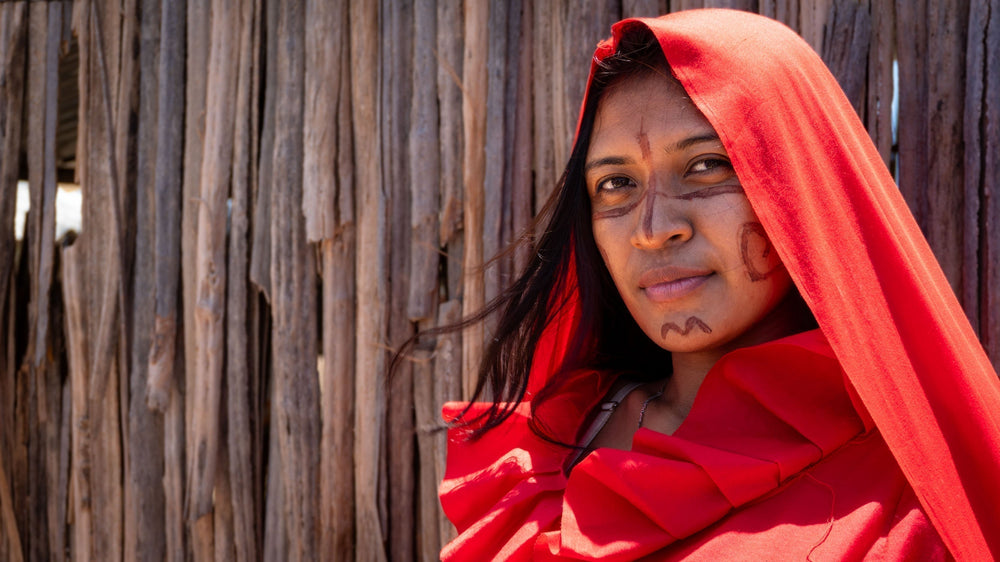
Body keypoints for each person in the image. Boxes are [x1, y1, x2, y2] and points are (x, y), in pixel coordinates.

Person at [435, 9, 1000, 560]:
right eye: (615, 183)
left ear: (797, 183)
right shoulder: (550, 444)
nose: (653, 230)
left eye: (706, 166)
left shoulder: (913, 506)